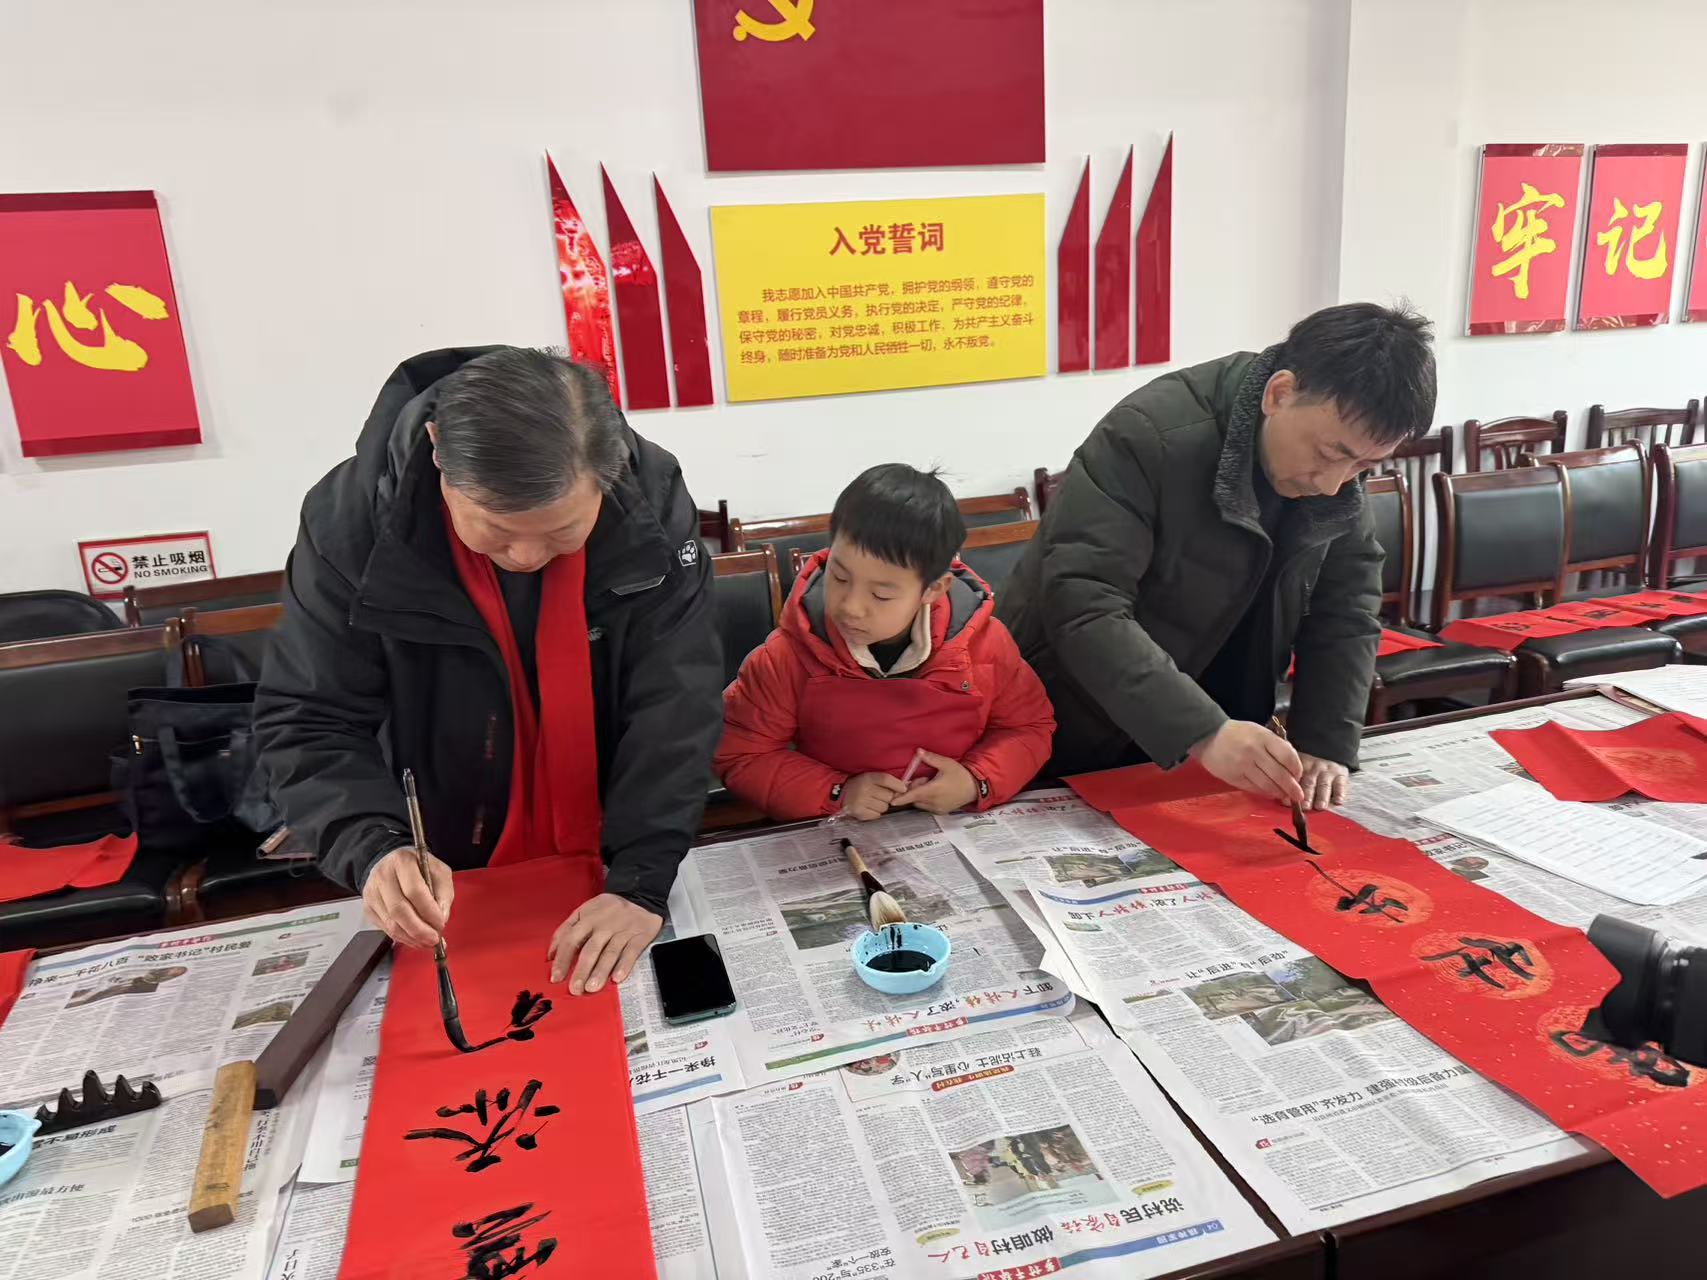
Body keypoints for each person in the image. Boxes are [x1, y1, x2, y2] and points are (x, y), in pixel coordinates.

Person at [255, 346, 722, 996]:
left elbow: (676, 699)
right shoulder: (351, 522)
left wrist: (642, 880)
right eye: (496, 531)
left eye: (561, 531)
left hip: (611, 825)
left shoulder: (651, 499)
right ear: (438, 453)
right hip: (446, 834)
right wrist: (374, 844)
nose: (526, 556)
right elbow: (309, 715)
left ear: (608, 472)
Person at [998, 302, 1436, 808]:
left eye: (1365, 466)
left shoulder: (1337, 473)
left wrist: (1325, 743)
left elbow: (1346, 608)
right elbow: (1083, 602)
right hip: (1069, 719)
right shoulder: (1149, 435)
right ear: (1279, 394)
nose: (1334, 483)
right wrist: (1200, 729)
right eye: (1329, 454)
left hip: (1221, 732)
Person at [714, 464, 1055, 821]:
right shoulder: (788, 655)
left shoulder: (984, 645)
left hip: (955, 821)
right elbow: (741, 753)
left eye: (881, 595)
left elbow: (1029, 727)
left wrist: (975, 781)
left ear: (934, 589)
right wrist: (837, 792)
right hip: (840, 825)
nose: (850, 607)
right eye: (839, 578)